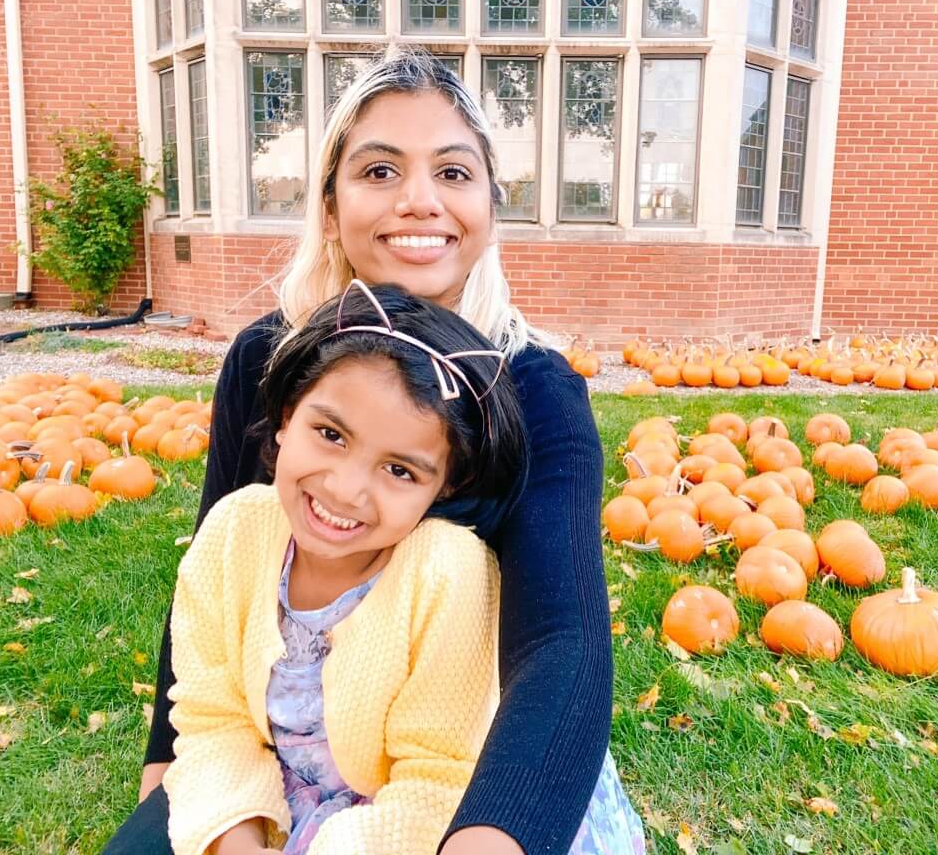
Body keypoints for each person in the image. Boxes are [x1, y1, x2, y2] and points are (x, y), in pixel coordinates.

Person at [104, 48, 615, 855]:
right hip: (273, 744)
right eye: (380, 171)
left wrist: (488, 838)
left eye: (453, 173)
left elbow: (563, 644)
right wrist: (168, 759)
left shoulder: (536, 389)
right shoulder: (268, 359)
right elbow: (219, 564)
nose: (419, 201)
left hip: (458, 756)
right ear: (331, 205)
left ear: (488, 205)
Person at [163, 281, 643, 855]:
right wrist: (233, 841)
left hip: (423, 823)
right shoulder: (231, 534)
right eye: (331, 434)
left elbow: (440, 778)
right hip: (297, 801)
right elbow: (214, 719)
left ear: (446, 483)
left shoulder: (448, 573)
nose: (346, 490)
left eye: (400, 471)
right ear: (287, 415)